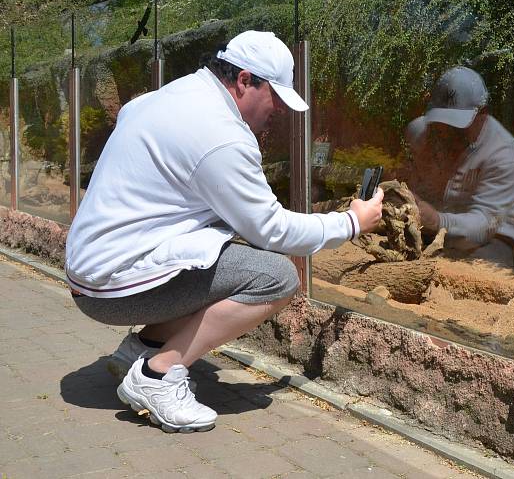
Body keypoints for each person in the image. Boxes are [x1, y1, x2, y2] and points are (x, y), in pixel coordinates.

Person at [65, 31, 384, 433]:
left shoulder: (176, 94)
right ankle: (159, 376)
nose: (280, 111)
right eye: (276, 96)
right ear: (245, 80)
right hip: (111, 286)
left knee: (224, 252)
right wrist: (352, 222)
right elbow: (270, 229)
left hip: (90, 271)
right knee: (276, 276)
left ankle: (141, 351)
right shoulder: (220, 135)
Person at [405, 66, 514, 267]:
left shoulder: (504, 156)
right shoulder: (436, 136)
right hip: (442, 236)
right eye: (440, 122)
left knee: (491, 256)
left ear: (482, 114)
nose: (446, 129)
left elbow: (486, 224)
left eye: (456, 123)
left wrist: (438, 220)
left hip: (493, 241)